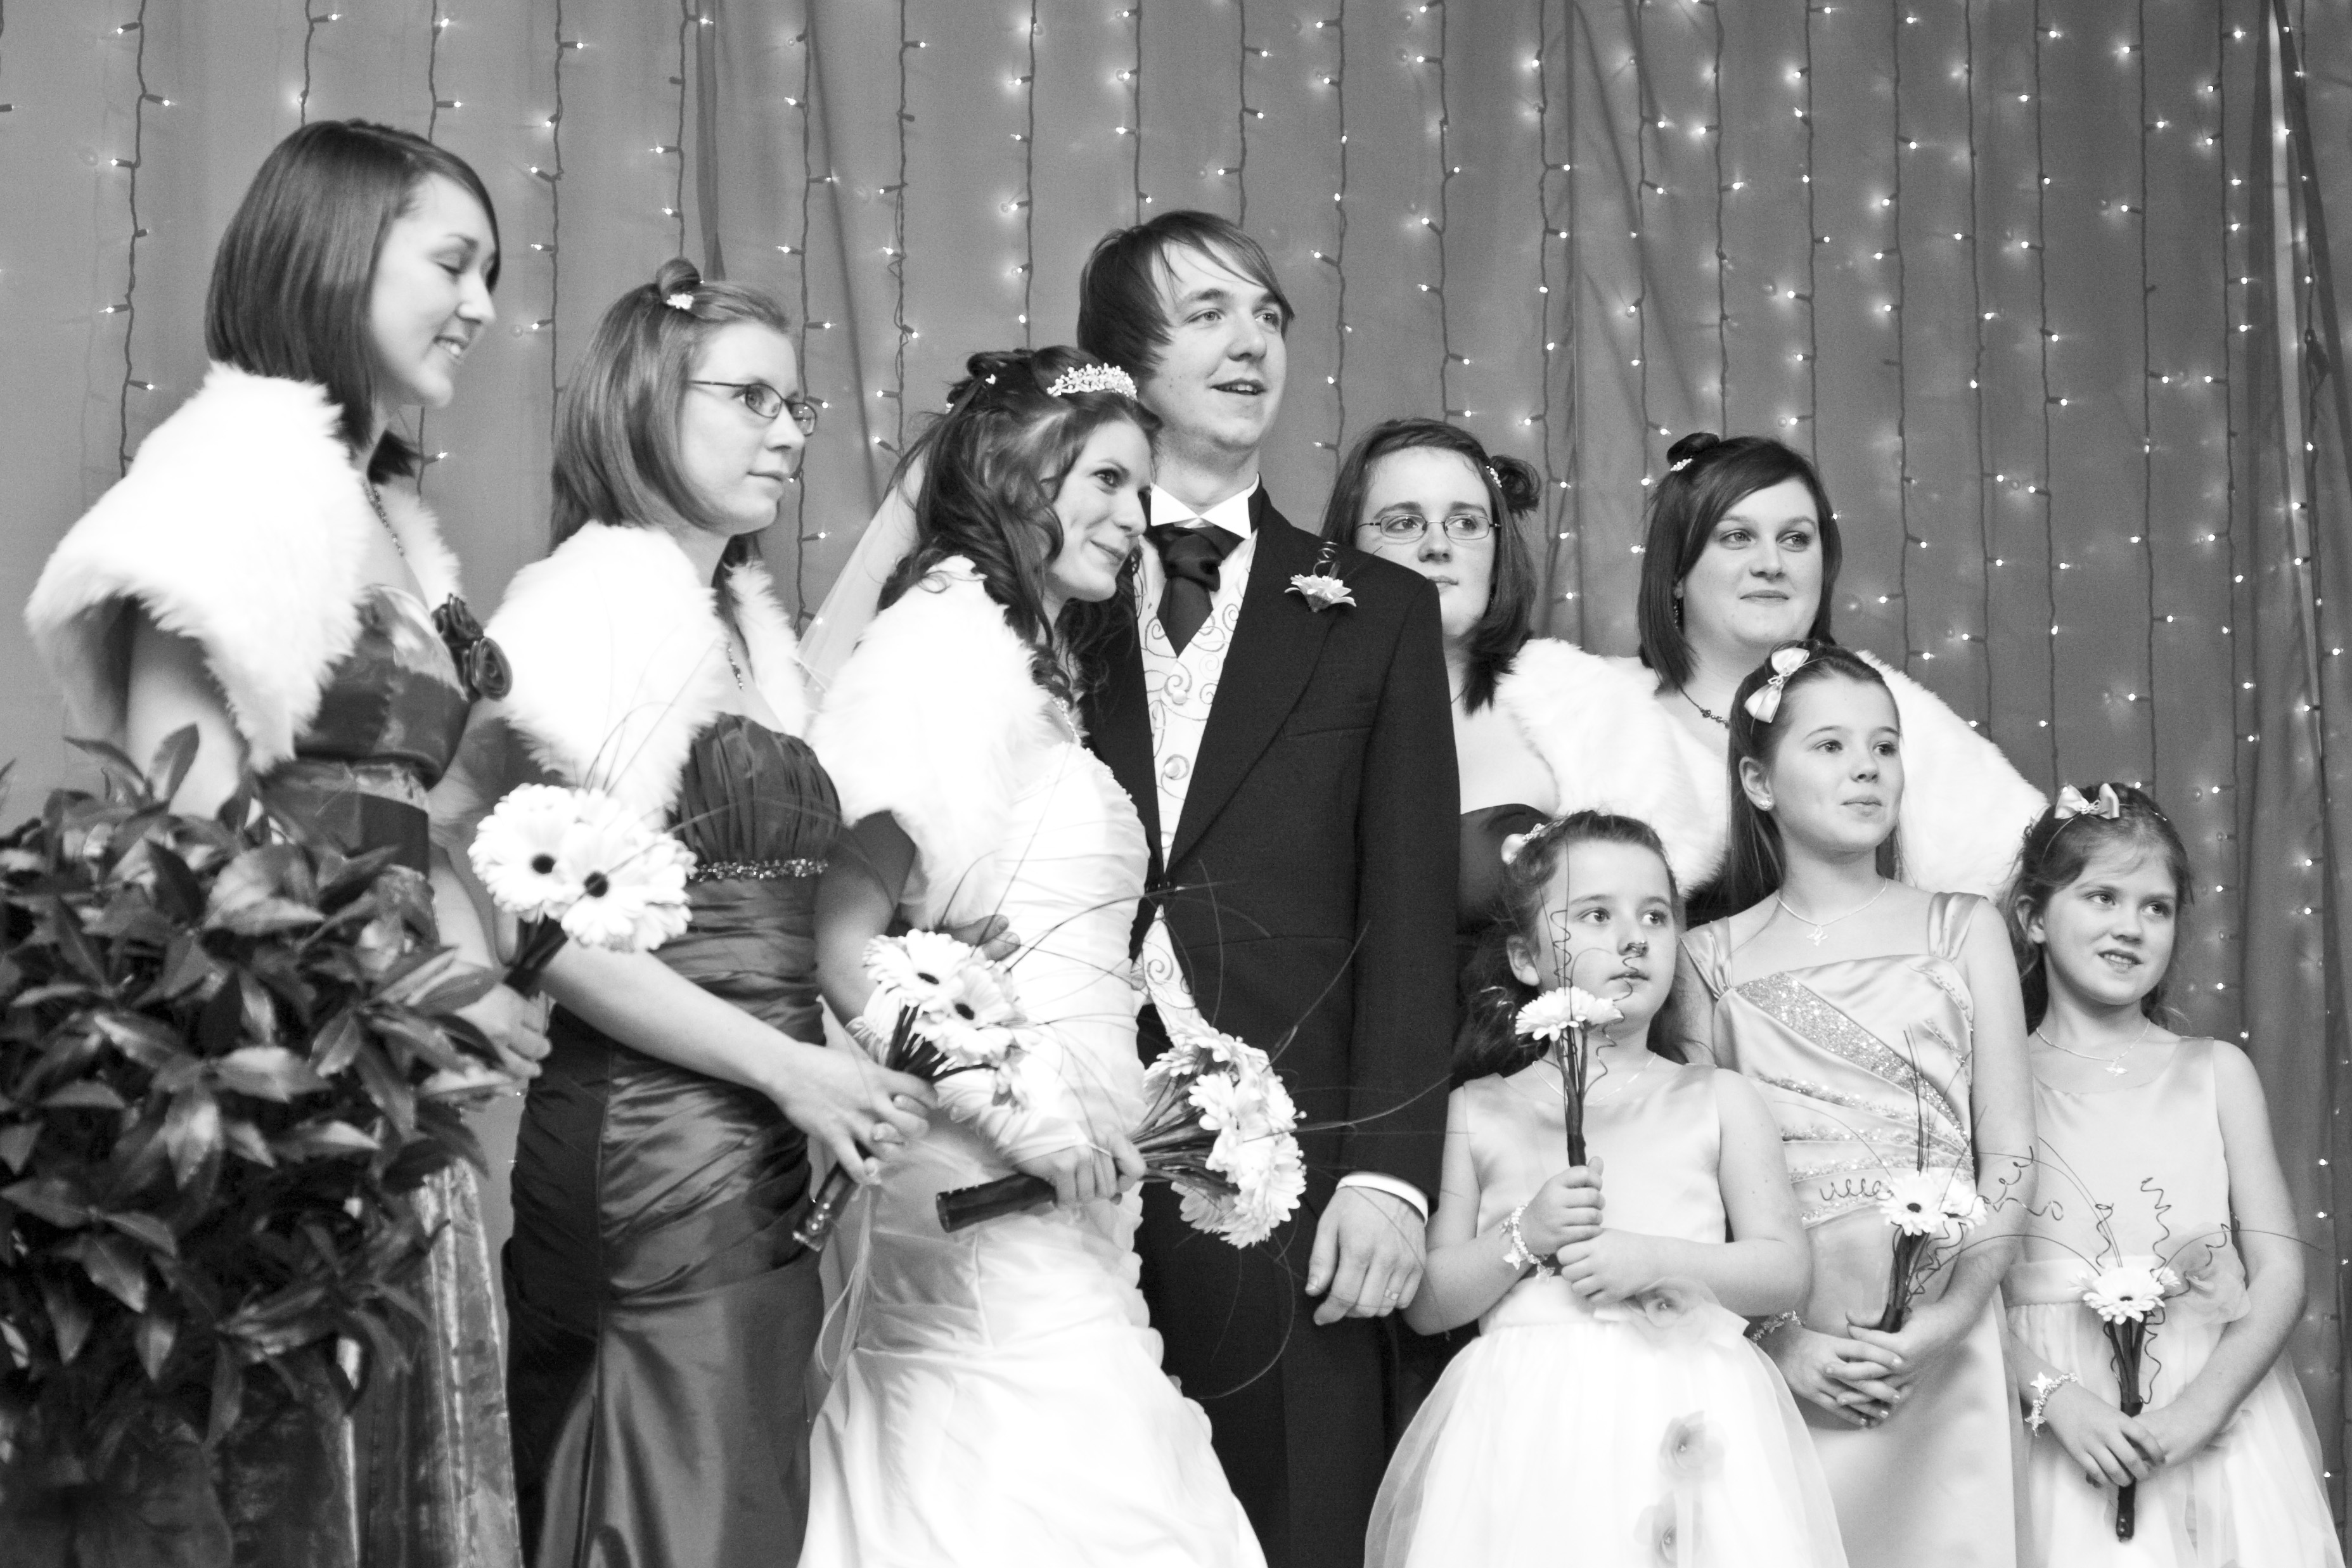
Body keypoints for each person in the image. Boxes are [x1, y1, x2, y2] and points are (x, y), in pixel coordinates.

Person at [25, 119, 530, 1567]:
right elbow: (183, 830)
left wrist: (478, 966)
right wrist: (407, 993)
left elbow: (404, 803)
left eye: (491, 275)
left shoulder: (380, 512)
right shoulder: (230, 479)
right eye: (453, 262)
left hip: (401, 1078)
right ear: (336, 253)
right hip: (274, 1078)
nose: (480, 306)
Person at [434, 260, 932, 1565]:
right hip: (652, 1145)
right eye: (749, 397)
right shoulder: (590, 604)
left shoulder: (741, 630)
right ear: (647, 398)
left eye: (796, 405)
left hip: (767, 1138)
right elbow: (539, 924)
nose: (786, 432)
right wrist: (790, 1069)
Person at [802, 346, 1263, 1566]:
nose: (1136, 514)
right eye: (1106, 478)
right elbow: (840, 947)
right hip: (977, 1174)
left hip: (1077, 1187)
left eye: (1141, 486)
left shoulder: (1033, 676)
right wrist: (1027, 1117)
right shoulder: (939, 649)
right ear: (1016, 474)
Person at [1074, 210, 1459, 1565]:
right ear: (1123, 357)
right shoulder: (1048, 590)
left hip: (1293, 1180)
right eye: (1206, 314)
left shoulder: (1378, 610)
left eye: (1269, 315)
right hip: (1065, 1153)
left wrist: (1393, 1178)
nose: (1251, 342)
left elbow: (1410, 917)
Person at [1369, 811, 1846, 1568]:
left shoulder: (1718, 1097)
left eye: (1655, 915)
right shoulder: (1477, 1109)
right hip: (1530, 1432)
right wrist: (1525, 1234)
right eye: (1596, 914)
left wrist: (1652, 1259)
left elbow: (1784, 1269)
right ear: (1525, 957)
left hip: (1688, 1413)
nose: (1634, 938)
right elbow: (1428, 1302)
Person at [1673, 642, 2036, 1567]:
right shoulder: (1706, 958)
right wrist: (1779, 1341)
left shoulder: (1962, 926)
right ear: (1758, 781)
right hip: (1793, 1344)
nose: (1866, 766)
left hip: (1946, 1330)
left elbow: (2010, 1153)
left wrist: (1953, 1316)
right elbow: (1693, 1194)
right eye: (1829, 745)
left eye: (1883, 745)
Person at [1364, 428, 2041, 918]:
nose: (1771, 563)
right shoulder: (1587, 707)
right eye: (1737, 536)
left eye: (1796, 538)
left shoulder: (1891, 713)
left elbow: (2034, 877)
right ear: (1676, 572)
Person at [2000, 785, 2341, 1565]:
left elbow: (2280, 1271)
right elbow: (1968, 1287)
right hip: (2056, 1422)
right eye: (2103, 896)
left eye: (2156, 907)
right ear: (2033, 916)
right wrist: (2055, 1397)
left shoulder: (2216, 1072)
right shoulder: (1998, 1080)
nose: (2131, 925)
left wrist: (2198, 1410)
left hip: (2209, 1419)